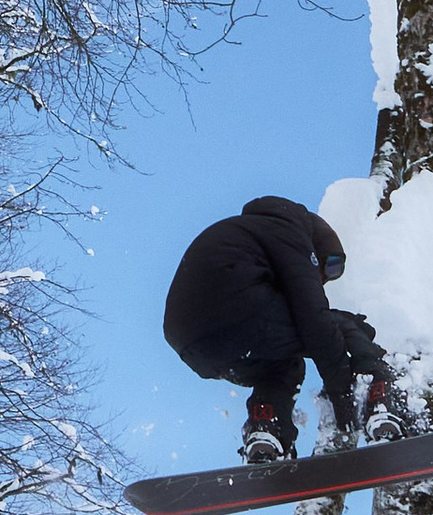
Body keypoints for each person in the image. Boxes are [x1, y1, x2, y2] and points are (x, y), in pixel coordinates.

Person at [162, 192, 391, 465]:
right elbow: (314, 319)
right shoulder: (288, 230)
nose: (326, 276)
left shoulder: (250, 234)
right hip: (237, 311)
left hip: (192, 345)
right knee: (342, 325)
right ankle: (378, 399)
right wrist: (342, 395)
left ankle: (266, 431)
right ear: (317, 246)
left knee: (282, 366)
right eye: (331, 265)